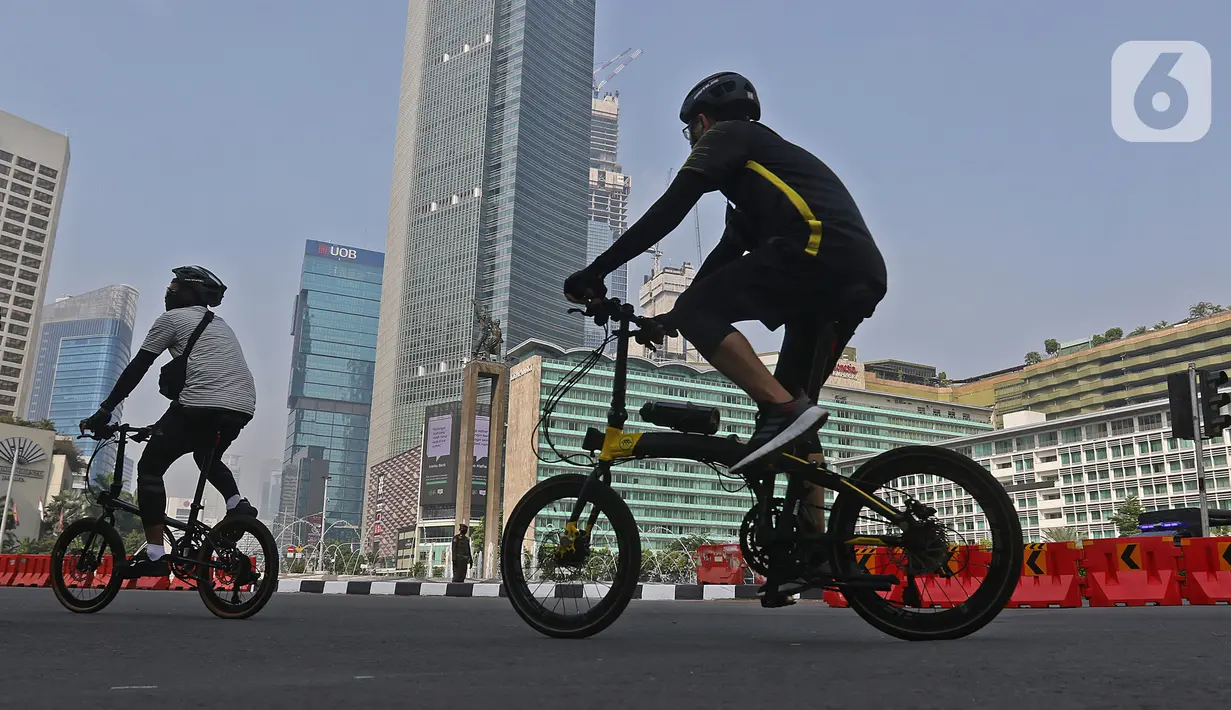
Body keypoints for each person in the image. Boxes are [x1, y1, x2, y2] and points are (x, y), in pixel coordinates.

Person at [565, 71, 888, 477]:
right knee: (793, 431)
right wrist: (669, 320)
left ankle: (782, 409)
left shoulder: (728, 135)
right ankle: (814, 536)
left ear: (702, 122)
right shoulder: (759, 178)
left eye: (690, 133)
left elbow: (670, 208)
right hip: (852, 275)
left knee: (782, 407)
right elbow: (725, 255)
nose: (693, 142)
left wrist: (596, 272)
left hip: (818, 252)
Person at [80, 266, 258, 578]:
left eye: (175, 285)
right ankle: (236, 504)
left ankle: (154, 554)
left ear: (191, 293)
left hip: (202, 404)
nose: (169, 290)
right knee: (206, 454)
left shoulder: (171, 320)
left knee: (149, 468)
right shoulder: (220, 325)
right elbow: (204, 381)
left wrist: (105, 410)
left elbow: (138, 366)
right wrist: (156, 428)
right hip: (241, 405)